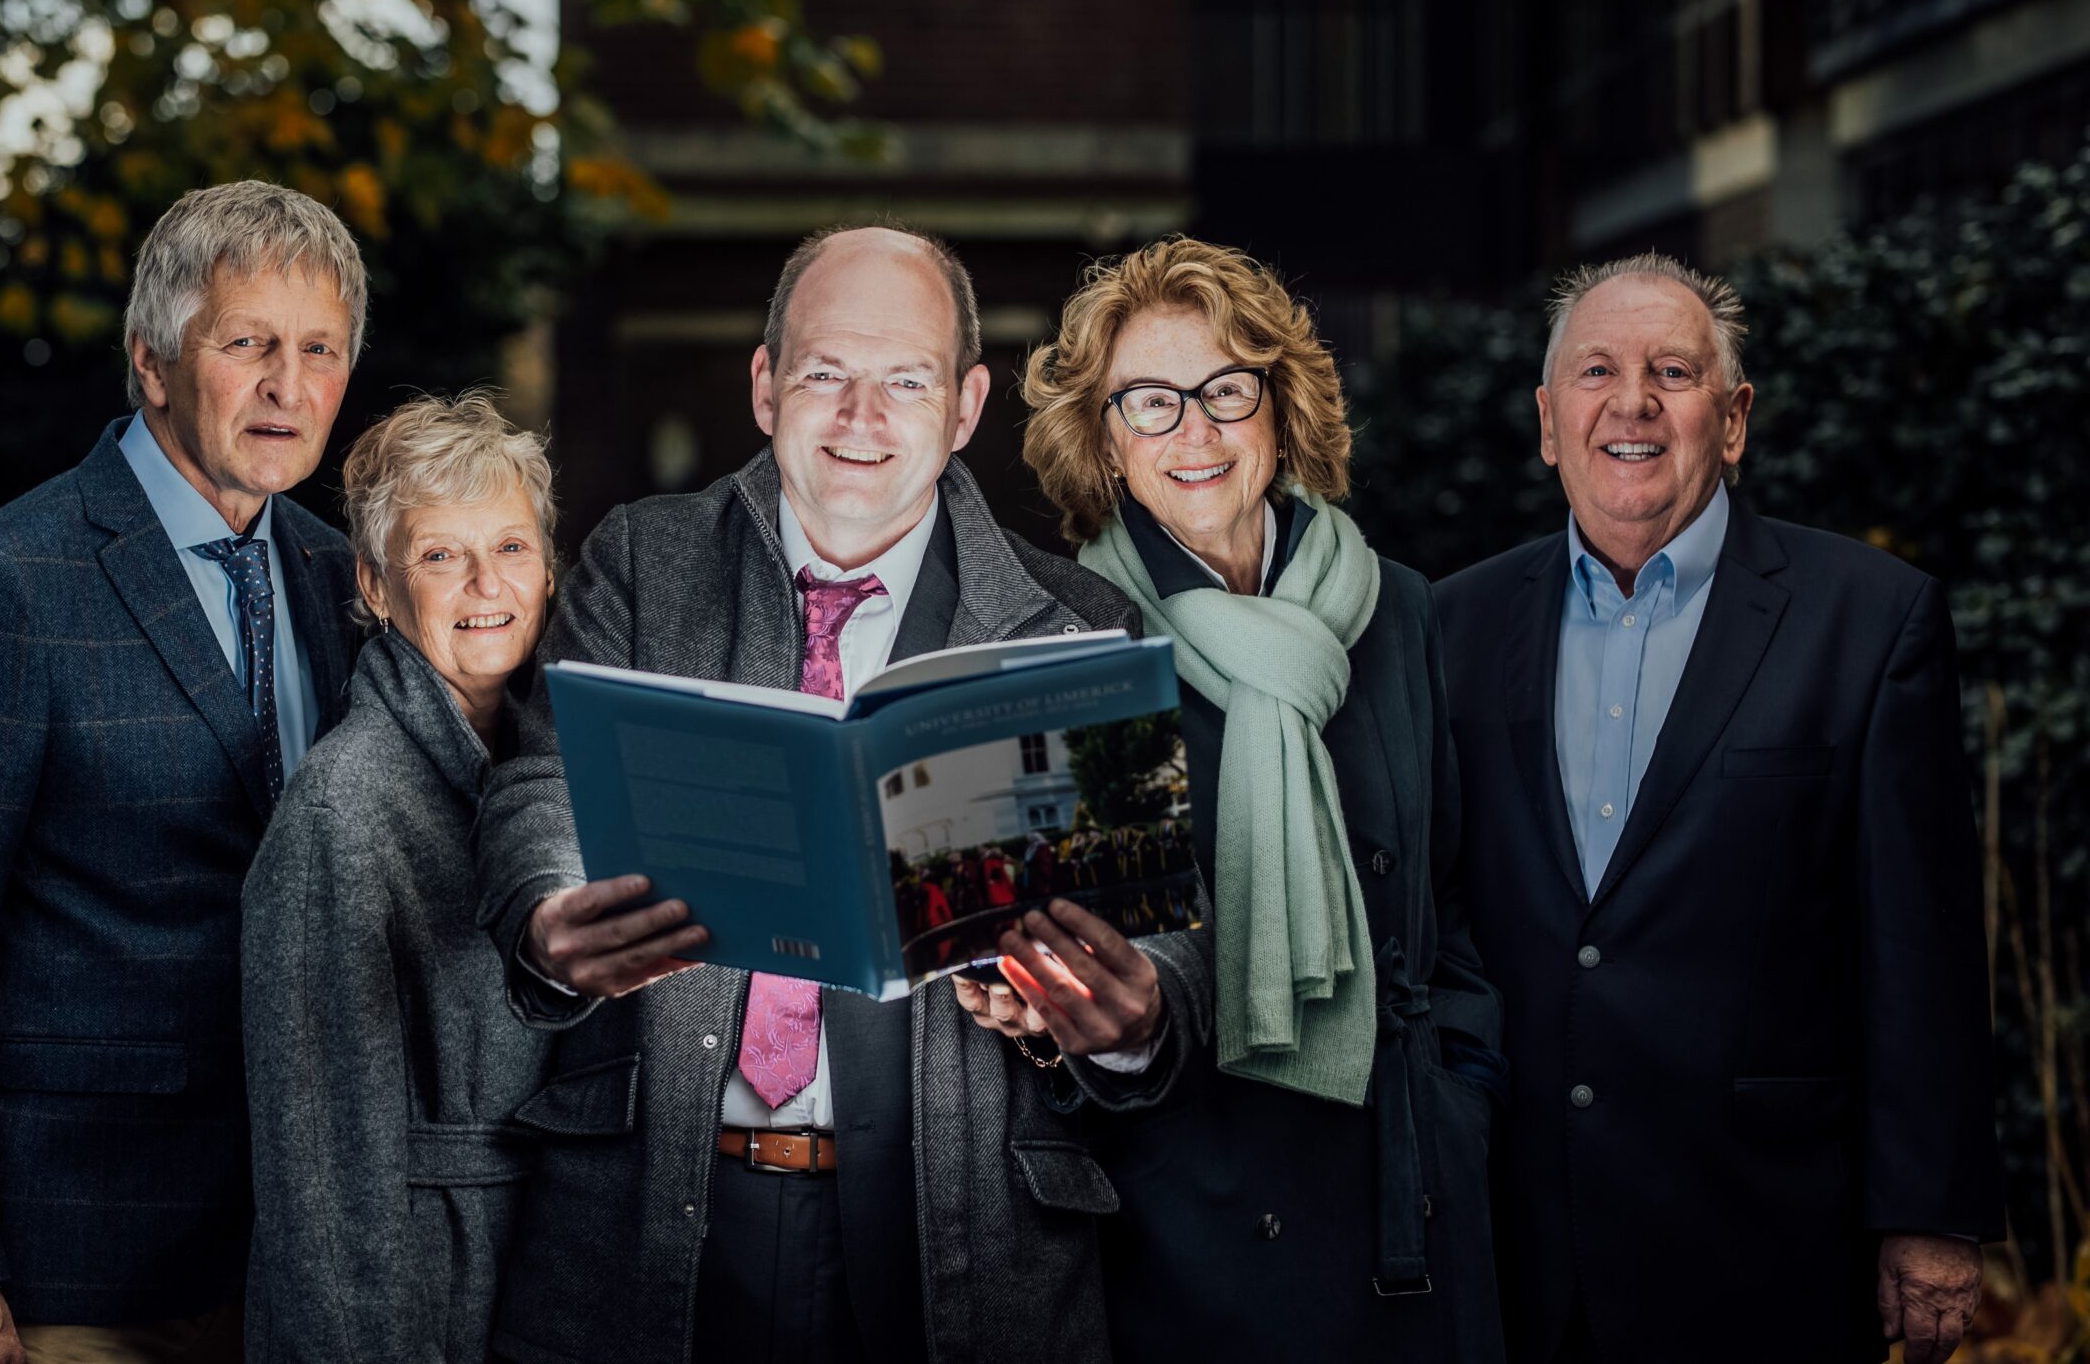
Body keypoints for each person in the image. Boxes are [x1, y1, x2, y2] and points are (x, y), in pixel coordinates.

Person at [470, 220, 1140, 1364]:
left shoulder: (1072, 625)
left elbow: (1148, 933)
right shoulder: (640, 559)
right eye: (826, 374)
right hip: (646, 1222)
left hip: (963, 1243)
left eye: (904, 382)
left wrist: (1117, 1018)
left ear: (967, 406)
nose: (861, 420)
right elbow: (541, 782)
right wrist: (549, 917)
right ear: (767, 387)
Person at [1435, 251, 2002, 1364]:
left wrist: (1930, 1212)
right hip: (1514, 1246)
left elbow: (1919, 945)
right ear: (1549, 422)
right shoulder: (1449, 627)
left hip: (1762, 1240)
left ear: (1732, 420)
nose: (1631, 402)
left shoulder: (1866, 620)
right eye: (1595, 371)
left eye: (1673, 372)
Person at [0, 181, 367, 1364]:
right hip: (61, 1263)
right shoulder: (1, 589)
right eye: (248, 344)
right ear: (152, 360)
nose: (289, 385)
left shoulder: (348, 584)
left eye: (319, 348)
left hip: (292, 1255)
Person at [971, 235, 1505, 1361]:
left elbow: (1452, 912)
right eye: (1150, 403)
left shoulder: (1397, 610)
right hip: (1186, 1221)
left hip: (1405, 1209)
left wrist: (1462, 1101)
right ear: (1104, 441)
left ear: (1280, 406)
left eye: (1224, 390)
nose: (1196, 433)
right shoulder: (1064, 638)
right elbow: (1051, 951)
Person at [241, 391, 560, 1363]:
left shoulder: (580, 766)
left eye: (509, 547)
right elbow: (322, 1188)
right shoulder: (342, 807)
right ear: (376, 588)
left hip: (566, 1269)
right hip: (426, 1293)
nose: (483, 585)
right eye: (438, 556)